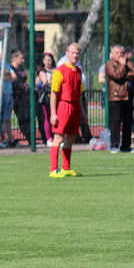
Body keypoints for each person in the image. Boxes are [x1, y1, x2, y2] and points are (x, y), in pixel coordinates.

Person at [49, 43, 87, 178]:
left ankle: (66, 168)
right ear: (67, 53)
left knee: (71, 137)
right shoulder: (59, 71)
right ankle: (53, 170)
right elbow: (54, 93)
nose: (75, 55)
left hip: (75, 107)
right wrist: (53, 113)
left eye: (77, 53)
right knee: (58, 137)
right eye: (72, 53)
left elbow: (80, 94)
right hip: (63, 106)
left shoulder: (78, 71)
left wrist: (82, 112)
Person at [105, 44, 134, 153]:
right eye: (117, 53)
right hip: (116, 97)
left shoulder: (128, 62)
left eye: (121, 53)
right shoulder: (109, 64)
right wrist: (123, 67)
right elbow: (116, 75)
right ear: (113, 54)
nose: (120, 55)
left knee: (128, 122)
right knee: (115, 122)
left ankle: (126, 146)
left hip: (127, 96)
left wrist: (125, 72)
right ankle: (114, 145)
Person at [8, 50, 30, 143]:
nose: (23, 60)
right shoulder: (10, 68)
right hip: (17, 96)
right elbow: (13, 80)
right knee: (22, 117)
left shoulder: (21, 67)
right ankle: (29, 136)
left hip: (25, 95)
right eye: (21, 58)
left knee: (28, 116)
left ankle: (30, 137)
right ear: (15, 58)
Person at [36, 52, 56, 145]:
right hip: (47, 96)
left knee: (57, 116)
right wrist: (55, 81)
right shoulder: (42, 71)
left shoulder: (56, 70)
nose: (48, 62)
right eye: (46, 60)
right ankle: (49, 138)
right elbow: (45, 82)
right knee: (48, 117)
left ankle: (57, 136)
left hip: (56, 95)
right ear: (43, 61)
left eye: (50, 60)